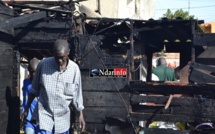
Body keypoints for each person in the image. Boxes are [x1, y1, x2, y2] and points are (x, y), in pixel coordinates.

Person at [21, 39, 85, 134]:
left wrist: (80, 115)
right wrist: (26, 109)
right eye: (56, 57)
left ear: (68, 53)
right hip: (44, 117)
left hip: (63, 120)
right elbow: (34, 90)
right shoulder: (43, 65)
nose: (59, 60)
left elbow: (77, 96)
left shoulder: (74, 70)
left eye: (62, 57)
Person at [21, 58, 40, 134]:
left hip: (40, 119)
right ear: (29, 70)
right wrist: (23, 111)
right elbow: (25, 99)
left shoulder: (42, 84)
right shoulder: (26, 83)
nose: (34, 74)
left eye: (35, 72)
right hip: (28, 118)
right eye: (32, 72)